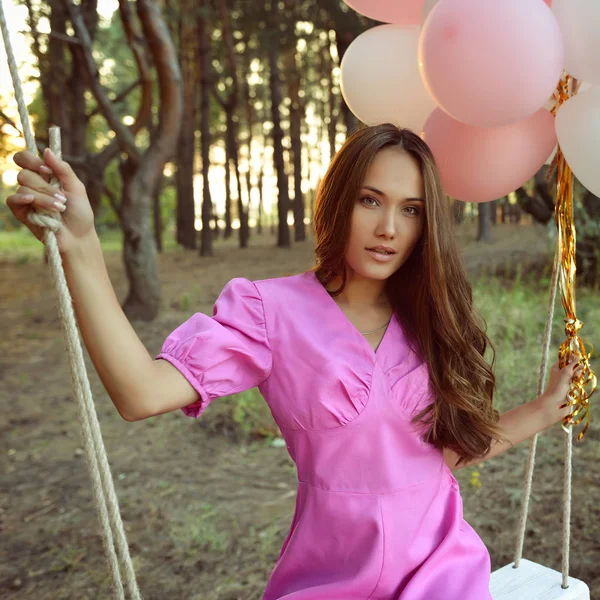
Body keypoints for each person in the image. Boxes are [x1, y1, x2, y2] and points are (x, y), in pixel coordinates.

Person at [6, 124, 580, 599]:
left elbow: (436, 456)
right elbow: (140, 392)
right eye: (370, 200)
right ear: (339, 199)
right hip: (329, 579)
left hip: (443, 576)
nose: (388, 229)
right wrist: (80, 247)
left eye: (410, 210)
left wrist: (544, 409)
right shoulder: (269, 311)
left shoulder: (429, 318)